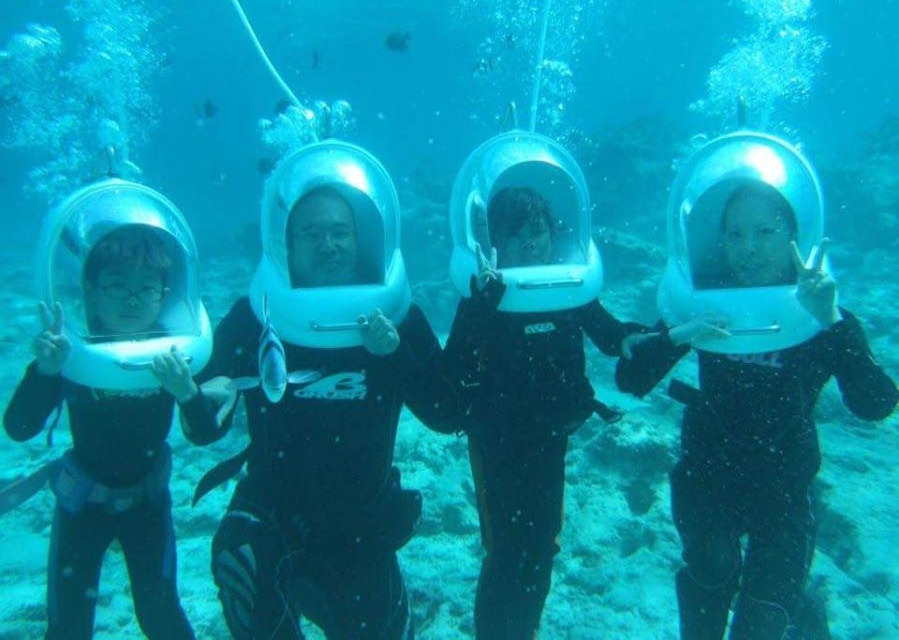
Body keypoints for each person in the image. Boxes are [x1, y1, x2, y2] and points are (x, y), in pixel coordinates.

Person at [616, 182, 898, 640]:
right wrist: (678, 334)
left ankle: (801, 612)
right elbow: (630, 380)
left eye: (765, 232)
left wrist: (831, 321)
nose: (749, 248)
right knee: (710, 576)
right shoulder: (704, 303)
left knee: (764, 617)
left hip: (784, 486)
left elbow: (876, 404)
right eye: (736, 234)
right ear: (721, 241)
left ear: (795, 236)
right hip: (709, 476)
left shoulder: (818, 314)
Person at [180, 184, 462, 640]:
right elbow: (203, 430)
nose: (328, 245)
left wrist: (395, 356)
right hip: (274, 514)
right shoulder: (254, 318)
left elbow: (447, 414)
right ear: (285, 244)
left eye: (339, 232)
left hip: (359, 525)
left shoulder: (397, 317)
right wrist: (194, 400)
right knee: (239, 559)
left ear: (360, 239)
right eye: (311, 234)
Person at [443, 186, 645, 640]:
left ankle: (524, 631)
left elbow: (611, 335)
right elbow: (452, 369)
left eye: (538, 232)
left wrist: (636, 339)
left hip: (551, 435)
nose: (531, 244)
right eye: (515, 236)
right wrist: (481, 304)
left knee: (542, 544)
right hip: (496, 442)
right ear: (494, 243)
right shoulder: (484, 296)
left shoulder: (569, 289)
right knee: (504, 550)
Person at [3, 225, 205, 640]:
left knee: (162, 615)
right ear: (91, 293)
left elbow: (204, 434)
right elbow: (19, 428)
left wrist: (187, 393)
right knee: (68, 627)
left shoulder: (173, 355)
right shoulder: (73, 354)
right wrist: (45, 371)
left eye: (146, 288)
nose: (132, 300)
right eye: (116, 285)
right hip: (83, 506)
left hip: (149, 504)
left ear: (164, 295)